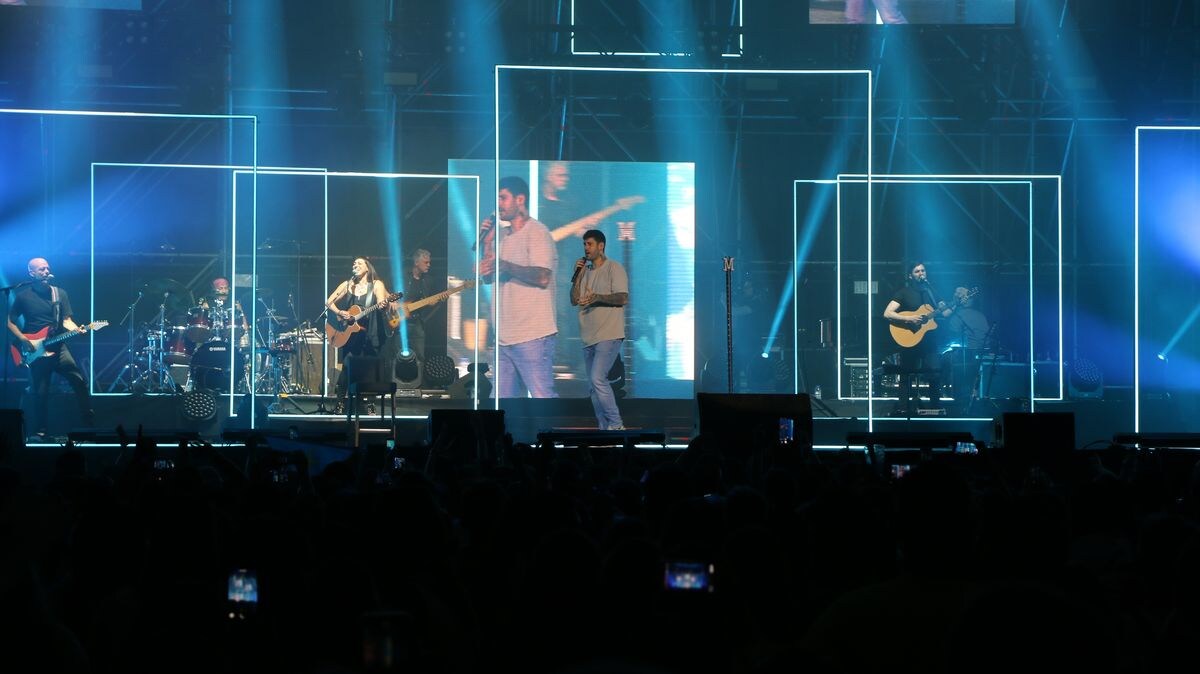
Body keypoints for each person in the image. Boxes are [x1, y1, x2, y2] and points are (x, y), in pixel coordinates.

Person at [479, 175, 558, 398]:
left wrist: (505, 265)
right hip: (503, 339)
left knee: (543, 399)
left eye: (503, 198)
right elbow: (488, 278)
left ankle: (553, 435)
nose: (499, 204)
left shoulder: (538, 232)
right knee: (501, 406)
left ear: (520, 199)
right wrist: (487, 243)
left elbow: (543, 276)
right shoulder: (501, 237)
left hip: (532, 336)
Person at [7, 257, 95, 440]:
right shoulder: (23, 296)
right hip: (36, 351)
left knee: (79, 381)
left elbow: (66, 320)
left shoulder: (59, 293)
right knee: (41, 392)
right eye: (41, 269)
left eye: (47, 268)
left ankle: (88, 424)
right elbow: (10, 322)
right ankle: (41, 430)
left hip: (59, 347)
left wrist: (78, 329)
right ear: (32, 273)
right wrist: (23, 339)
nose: (46, 271)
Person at [570, 229, 629, 431]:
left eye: (590, 244)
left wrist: (597, 297)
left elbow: (622, 298)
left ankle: (617, 424)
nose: (586, 248)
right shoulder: (584, 272)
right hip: (588, 336)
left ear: (601, 246)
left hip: (609, 334)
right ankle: (604, 429)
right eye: (584, 244)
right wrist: (577, 276)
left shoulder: (614, 268)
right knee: (593, 387)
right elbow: (573, 300)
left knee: (597, 378)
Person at [324, 257, 398, 402]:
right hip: (351, 335)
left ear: (367, 268)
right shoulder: (347, 285)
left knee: (370, 369)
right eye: (354, 263)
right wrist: (340, 312)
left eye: (359, 263)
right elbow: (328, 301)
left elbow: (380, 302)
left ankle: (370, 404)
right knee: (346, 366)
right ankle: (340, 402)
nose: (355, 265)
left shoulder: (376, 284)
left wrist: (383, 305)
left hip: (371, 333)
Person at [883, 261, 943, 415]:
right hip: (910, 339)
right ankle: (903, 408)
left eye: (923, 270)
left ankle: (935, 409)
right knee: (905, 374)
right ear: (910, 275)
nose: (921, 273)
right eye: (917, 271)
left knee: (935, 373)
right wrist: (909, 319)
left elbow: (945, 313)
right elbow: (888, 313)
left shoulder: (932, 293)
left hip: (929, 341)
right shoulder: (903, 292)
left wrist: (956, 304)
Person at [940, 286, 990, 407]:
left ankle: (945, 391)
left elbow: (953, 336)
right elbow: (986, 340)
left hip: (963, 355)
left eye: (957, 294)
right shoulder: (981, 315)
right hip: (979, 355)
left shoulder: (956, 316)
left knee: (942, 358)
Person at [400, 249, 436, 362]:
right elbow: (390, 294)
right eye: (426, 262)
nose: (429, 265)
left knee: (420, 356)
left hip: (417, 322)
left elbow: (426, 301)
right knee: (398, 355)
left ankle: (418, 379)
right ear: (416, 263)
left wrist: (432, 303)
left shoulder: (428, 280)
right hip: (400, 321)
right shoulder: (403, 275)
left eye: (429, 262)